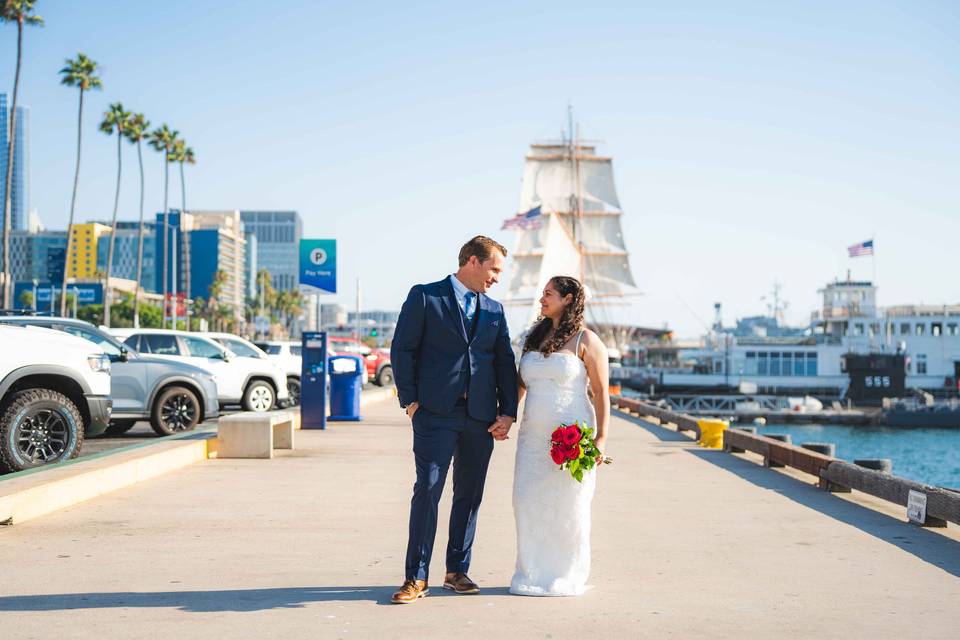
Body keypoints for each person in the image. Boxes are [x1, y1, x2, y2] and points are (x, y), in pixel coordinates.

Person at [389, 235, 519, 604]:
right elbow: (403, 349)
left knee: (470, 495)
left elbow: (504, 362)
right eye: (494, 268)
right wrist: (410, 402)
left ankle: (456, 571)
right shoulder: (426, 296)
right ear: (472, 262)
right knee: (428, 490)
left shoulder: (494, 309)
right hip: (434, 414)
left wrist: (508, 411)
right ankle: (415, 577)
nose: (497, 277)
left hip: (480, 417)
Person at [509, 275, 609, 596]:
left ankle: (565, 573)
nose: (542, 298)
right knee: (527, 501)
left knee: (568, 505)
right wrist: (505, 417)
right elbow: (520, 385)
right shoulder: (531, 337)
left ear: (568, 299)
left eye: (549, 293)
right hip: (532, 440)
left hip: (572, 436)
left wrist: (600, 440)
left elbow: (601, 393)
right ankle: (531, 572)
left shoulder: (587, 341)